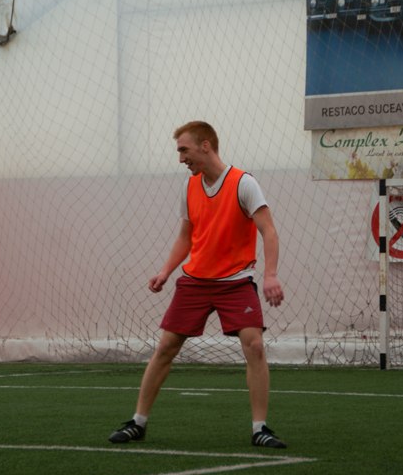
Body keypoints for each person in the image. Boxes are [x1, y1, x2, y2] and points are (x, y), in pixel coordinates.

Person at [108, 120, 287, 448]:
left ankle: (260, 428)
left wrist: (271, 274)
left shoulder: (244, 183)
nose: (181, 159)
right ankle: (138, 423)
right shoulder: (189, 186)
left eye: (184, 150)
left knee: (255, 346)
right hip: (195, 282)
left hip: (236, 282)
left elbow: (269, 231)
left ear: (206, 145)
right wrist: (165, 271)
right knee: (165, 347)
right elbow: (185, 236)